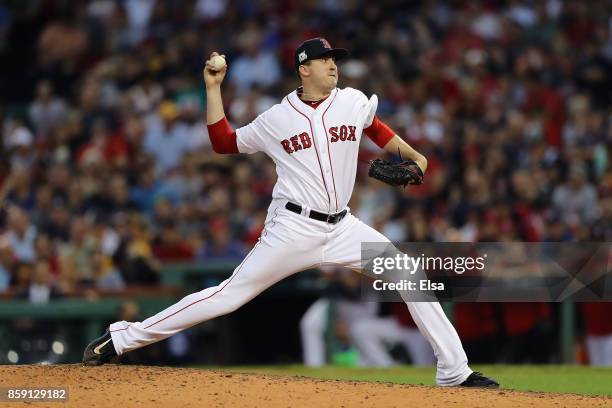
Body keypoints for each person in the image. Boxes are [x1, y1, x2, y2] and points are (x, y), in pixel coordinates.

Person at [83, 38, 498, 388]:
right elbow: (224, 143)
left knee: (407, 272)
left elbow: (382, 135)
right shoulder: (277, 118)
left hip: (343, 227)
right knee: (228, 297)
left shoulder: (351, 101)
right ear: (304, 69)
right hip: (293, 227)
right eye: (325, 60)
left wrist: (416, 159)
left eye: (336, 60)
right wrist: (213, 88)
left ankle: (454, 372)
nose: (334, 65)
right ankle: (123, 338)